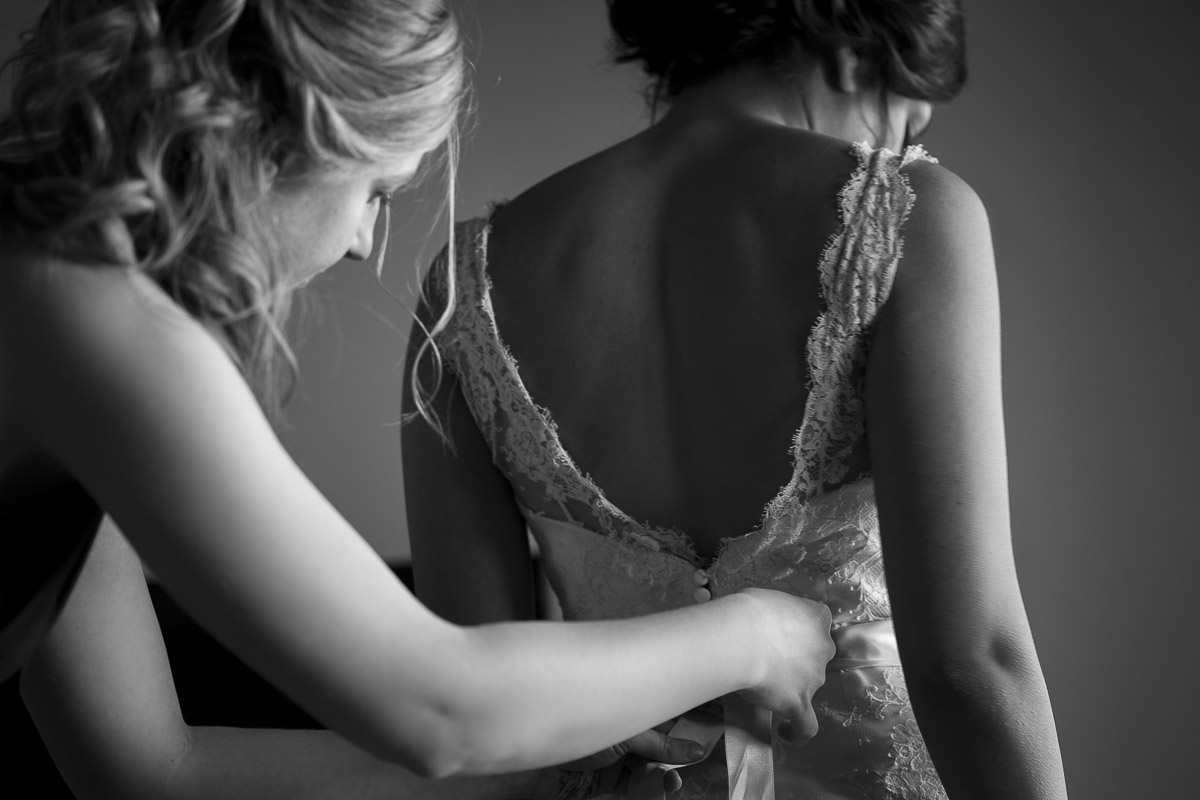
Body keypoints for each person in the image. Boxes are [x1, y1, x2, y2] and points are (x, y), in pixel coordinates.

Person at [0, 1, 839, 798]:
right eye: (374, 190)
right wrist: (755, 636)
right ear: (271, 133)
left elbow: (151, 770)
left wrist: (548, 748)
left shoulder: (54, 298)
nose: (365, 245)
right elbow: (435, 707)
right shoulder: (99, 315)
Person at [402, 0, 1070, 798]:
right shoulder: (910, 217)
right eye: (904, 119)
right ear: (854, 49)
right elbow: (970, 661)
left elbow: (473, 710)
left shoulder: (464, 285)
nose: (892, 149)